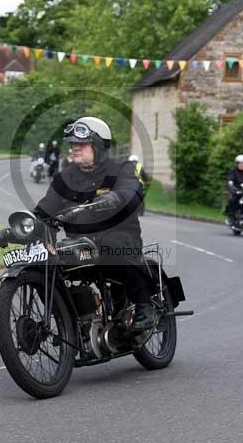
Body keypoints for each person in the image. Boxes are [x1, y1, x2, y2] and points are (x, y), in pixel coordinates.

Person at [33, 117, 154, 330]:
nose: (75, 148)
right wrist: (29, 224)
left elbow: (132, 191)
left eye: (81, 144)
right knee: (44, 265)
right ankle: (66, 318)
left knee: (113, 247)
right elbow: (46, 209)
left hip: (119, 235)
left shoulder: (122, 168)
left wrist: (115, 198)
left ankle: (144, 306)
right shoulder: (64, 178)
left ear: (98, 146)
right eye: (72, 144)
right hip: (81, 243)